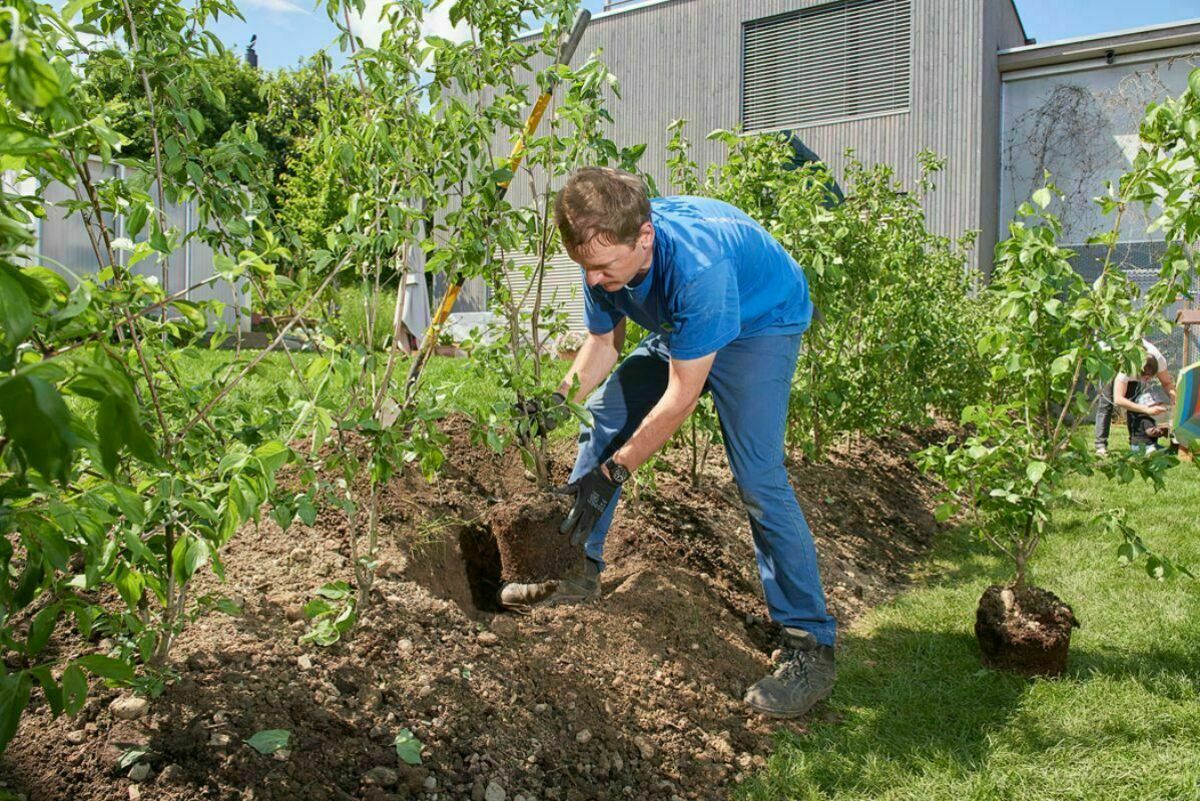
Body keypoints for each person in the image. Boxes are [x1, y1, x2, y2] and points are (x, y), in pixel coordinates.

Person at [498, 167, 837, 719]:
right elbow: (602, 344)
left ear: (645, 238)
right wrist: (559, 398)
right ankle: (576, 568)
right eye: (585, 268)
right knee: (602, 419)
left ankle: (809, 643)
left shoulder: (697, 269)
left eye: (605, 268)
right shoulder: (606, 257)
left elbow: (681, 397)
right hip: (687, 329)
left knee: (758, 478)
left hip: (760, 324)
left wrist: (611, 476)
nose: (593, 280)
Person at [1096, 338, 1175, 456]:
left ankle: (1137, 444)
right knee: (1106, 405)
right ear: (1137, 371)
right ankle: (1101, 445)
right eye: (1145, 378)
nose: (1147, 381)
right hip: (1109, 361)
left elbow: (1167, 383)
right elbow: (1118, 400)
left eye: (1150, 378)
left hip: (1133, 362)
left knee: (1134, 402)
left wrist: (1176, 403)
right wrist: (1147, 410)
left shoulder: (1159, 361)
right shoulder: (1126, 368)